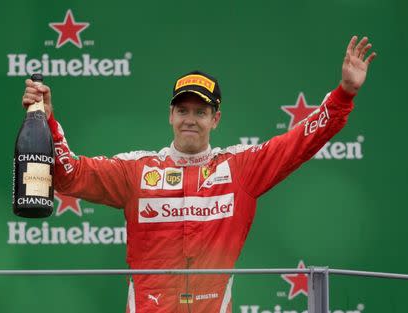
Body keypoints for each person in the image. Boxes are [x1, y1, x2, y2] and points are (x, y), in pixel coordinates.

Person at [22, 36, 376, 313]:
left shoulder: (240, 169)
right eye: (183, 110)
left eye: (200, 111)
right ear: (171, 115)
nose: (191, 119)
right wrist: (47, 119)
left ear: (215, 119)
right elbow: (71, 176)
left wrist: (344, 94)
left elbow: (301, 141)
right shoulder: (137, 171)